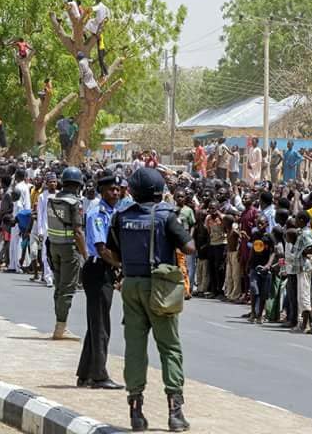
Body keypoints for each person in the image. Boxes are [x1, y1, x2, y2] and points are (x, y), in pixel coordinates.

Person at [107, 167, 194, 432]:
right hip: (160, 287)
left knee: (135, 347)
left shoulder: (121, 216)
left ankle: (135, 410)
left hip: (131, 285)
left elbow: (112, 251)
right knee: (169, 347)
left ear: (132, 191)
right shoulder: (167, 215)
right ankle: (175, 413)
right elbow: (188, 247)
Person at [76, 173, 123, 390]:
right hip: (97, 268)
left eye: (117, 189)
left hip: (104, 269)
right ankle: (99, 376)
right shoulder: (98, 212)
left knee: (96, 323)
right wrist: (121, 266)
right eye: (111, 189)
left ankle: (85, 373)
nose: (115, 192)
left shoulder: (114, 211)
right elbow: (102, 248)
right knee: (101, 325)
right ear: (102, 190)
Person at [46, 166, 87, 340]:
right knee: (68, 289)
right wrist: (86, 254)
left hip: (54, 246)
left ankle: (59, 324)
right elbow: (78, 231)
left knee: (58, 286)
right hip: (69, 249)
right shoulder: (74, 203)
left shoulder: (52, 199)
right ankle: (60, 327)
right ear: (78, 185)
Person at [37, 172, 57, 287]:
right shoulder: (42, 196)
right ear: (47, 183)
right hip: (46, 229)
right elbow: (40, 214)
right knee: (46, 254)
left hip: (57, 229)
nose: (53, 184)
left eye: (54, 182)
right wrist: (40, 230)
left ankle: (55, 276)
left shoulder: (59, 195)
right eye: (51, 182)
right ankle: (48, 277)